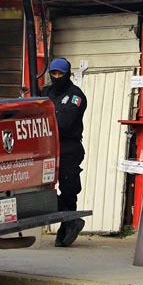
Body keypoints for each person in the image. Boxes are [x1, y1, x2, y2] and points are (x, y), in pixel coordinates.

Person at [43, 58, 88, 247]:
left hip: (68, 148)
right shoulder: (44, 92)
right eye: (54, 74)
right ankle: (70, 220)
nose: (57, 77)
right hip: (46, 148)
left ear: (67, 74)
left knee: (69, 190)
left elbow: (64, 123)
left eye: (61, 74)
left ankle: (66, 227)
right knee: (43, 190)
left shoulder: (75, 96)